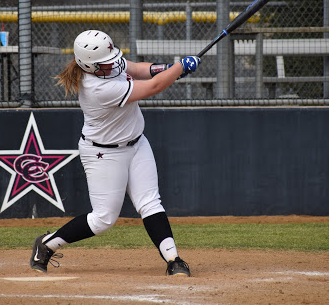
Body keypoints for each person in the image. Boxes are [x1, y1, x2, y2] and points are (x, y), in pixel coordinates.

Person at [30, 29, 201, 277]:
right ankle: (46, 245)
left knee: (150, 202)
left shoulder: (106, 63)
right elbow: (153, 87)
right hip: (104, 154)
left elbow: (139, 70)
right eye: (105, 64)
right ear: (87, 66)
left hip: (137, 143)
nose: (112, 66)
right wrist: (178, 68)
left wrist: (170, 68)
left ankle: (174, 259)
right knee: (103, 220)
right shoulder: (97, 88)